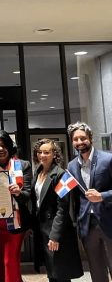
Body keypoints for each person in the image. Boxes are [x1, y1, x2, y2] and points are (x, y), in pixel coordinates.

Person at [31, 138, 83, 282]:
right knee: (52, 273)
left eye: (46, 152)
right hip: (42, 230)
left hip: (57, 231)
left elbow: (63, 209)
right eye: (39, 152)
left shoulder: (63, 175)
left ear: (54, 154)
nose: (42, 155)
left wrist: (55, 236)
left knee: (61, 274)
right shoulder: (38, 172)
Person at [67, 121, 112, 282]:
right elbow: (75, 199)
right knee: (97, 271)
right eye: (75, 139)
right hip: (87, 226)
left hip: (109, 222)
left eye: (83, 138)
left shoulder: (108, 159)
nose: (79, 142)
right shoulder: (71, 166)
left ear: (90, 138)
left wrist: (102, 196)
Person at [0, 130, 31, 282]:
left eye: (4, 145)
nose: (0, 149)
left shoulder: (23, 165)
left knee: (9, 263)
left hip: (15, 225)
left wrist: (18, 192)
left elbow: (28, 195)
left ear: (10, 146)